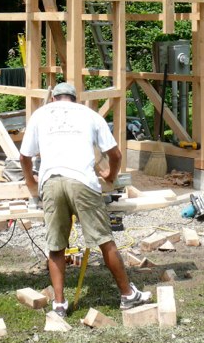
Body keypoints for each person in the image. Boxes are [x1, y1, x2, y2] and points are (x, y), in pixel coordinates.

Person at [19, 81, 152, 317]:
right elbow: (115, 154)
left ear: (54, 99)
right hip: (82, 182)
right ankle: (128, 295)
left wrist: (31, 183)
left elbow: (25, 156)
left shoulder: (40, 115)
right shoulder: (89, 115)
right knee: (104, 241)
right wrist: (110, 176)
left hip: (51, 182)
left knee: (56, 246)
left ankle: (59, 305)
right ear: (74, 100)